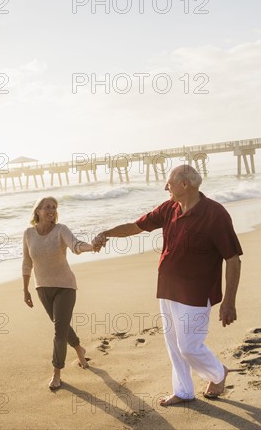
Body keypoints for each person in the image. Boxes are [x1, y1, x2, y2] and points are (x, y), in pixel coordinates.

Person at [93, 165, 242, 406]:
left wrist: (229, 302)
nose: (165, 187)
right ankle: (183, 391)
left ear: (185, 185)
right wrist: (106, 233)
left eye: (169, 183)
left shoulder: (215, 214)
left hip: (196, 293)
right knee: (174, 345)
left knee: (189, 347)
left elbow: (233, 259)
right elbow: (136, 226)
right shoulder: (169, 208)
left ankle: (218, 373)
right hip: (168, 288)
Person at [22, 196, 96, 390]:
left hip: (65, 286)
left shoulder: (61, 230)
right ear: (37, 210)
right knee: (61, 326)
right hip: (42, 288)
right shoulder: (28, 234)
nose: (51, 210)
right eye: (47, 207)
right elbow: (27, 262)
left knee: (58, 331)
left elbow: (76, 245)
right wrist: (25, 289)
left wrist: (91, 247)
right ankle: (80, 349)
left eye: (54, 207)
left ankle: (57, 373)